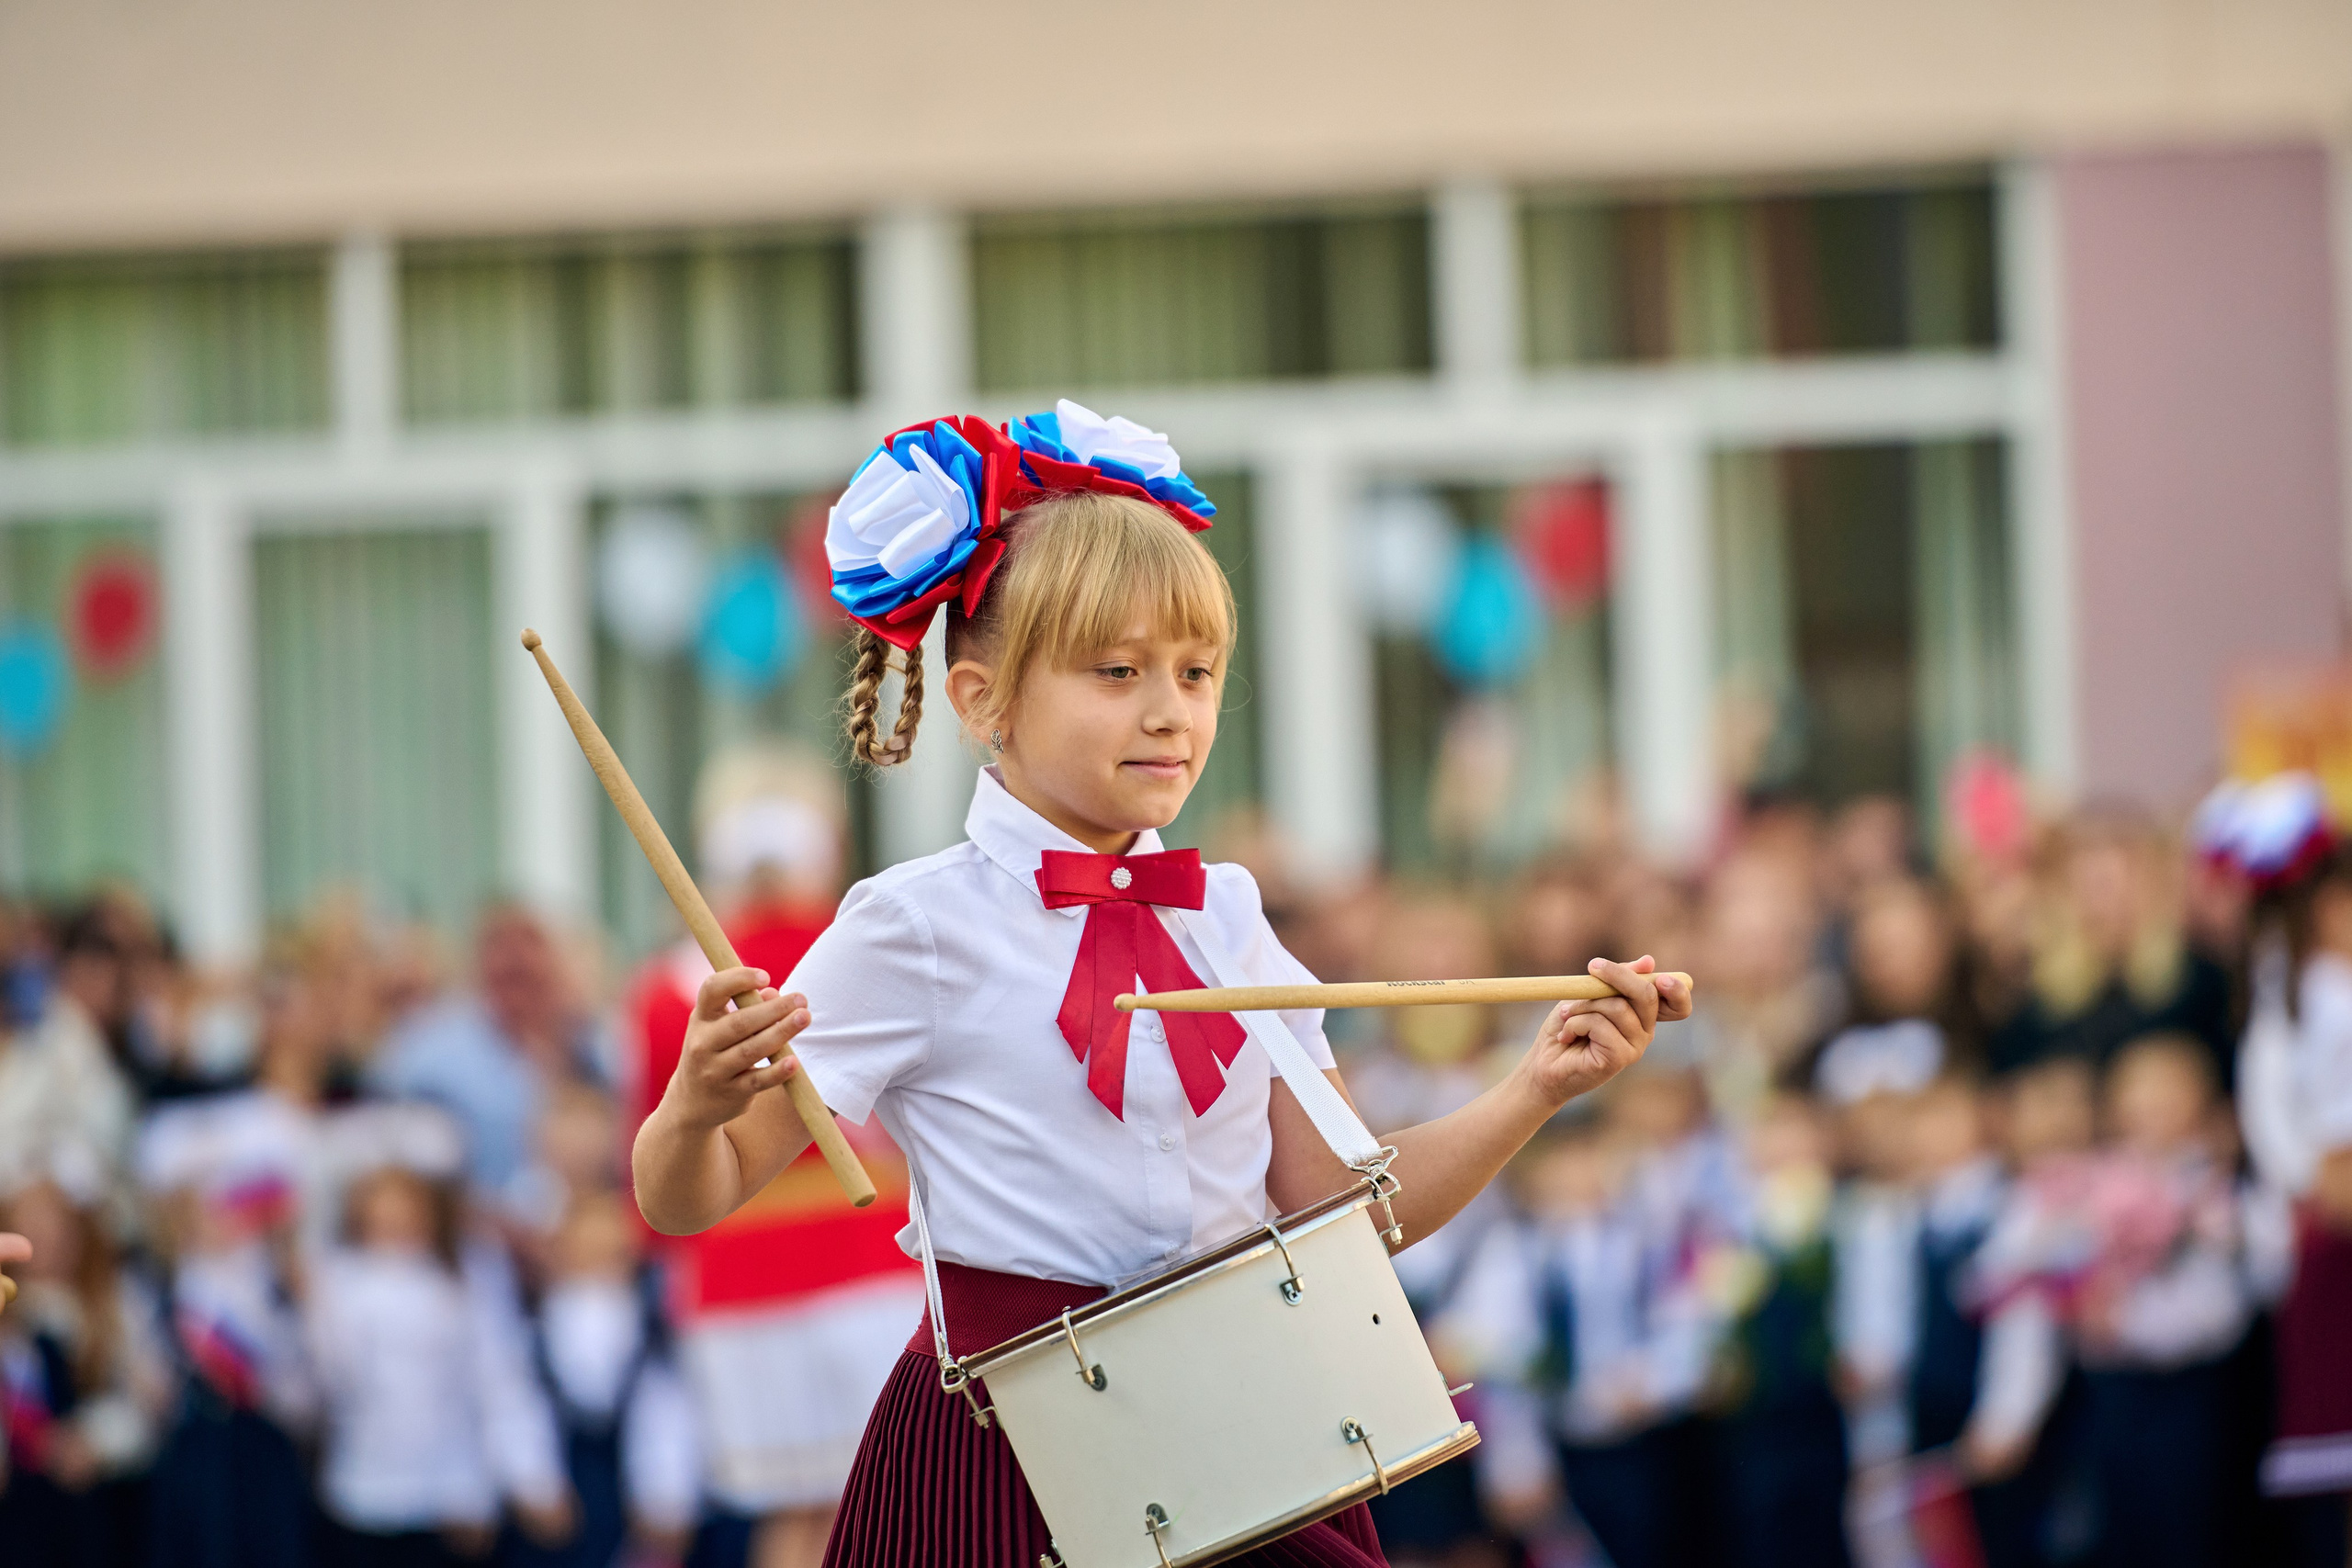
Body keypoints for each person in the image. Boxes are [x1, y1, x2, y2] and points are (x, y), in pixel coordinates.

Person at [628, 402, 1688, 1567]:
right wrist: (694, 1101)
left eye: (1196, 672)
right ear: (983, 700)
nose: (1168, 710)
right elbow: (689, 1194)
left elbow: (1347, 1211)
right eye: (1117, 671)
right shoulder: (911, 927)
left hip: (1249, 1433)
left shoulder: (1226, 912)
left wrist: (1535, 1086)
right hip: (1009, 1452)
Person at [619, 746, 921, 1568]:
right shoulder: (857, 953)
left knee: (794, 1519)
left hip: (731, 1277)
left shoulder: (665, 987)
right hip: (871, 1260)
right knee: (886, 1512)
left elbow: (648, 1162)